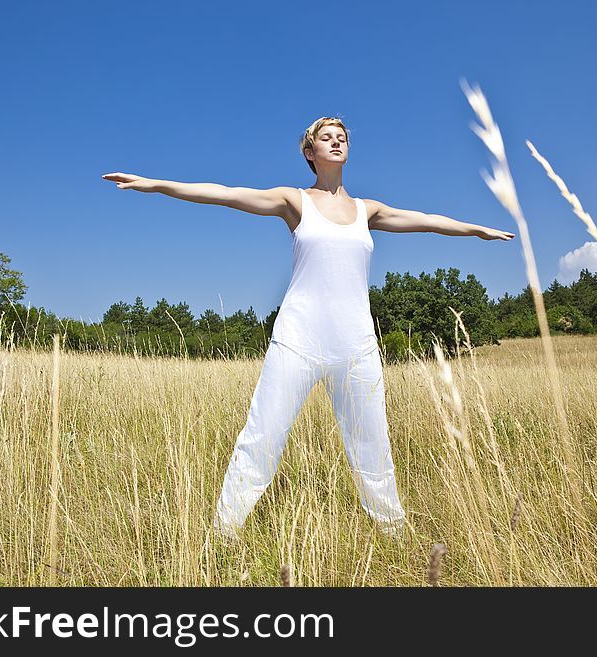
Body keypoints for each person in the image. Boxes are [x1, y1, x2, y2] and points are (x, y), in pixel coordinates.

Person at [102, 117, 514, 542]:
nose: (336, 142)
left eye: (342, 138)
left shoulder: (367, 210)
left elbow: (426, 219)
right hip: (297, 341)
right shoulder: (293, 200)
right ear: (309, 153)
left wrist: (476, 230)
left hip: (357, 346)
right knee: (261, 437)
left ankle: (394, 537)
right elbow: (225, 194)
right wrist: (154, 183)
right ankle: (224, 535)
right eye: (326, 138)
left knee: (372, 446)